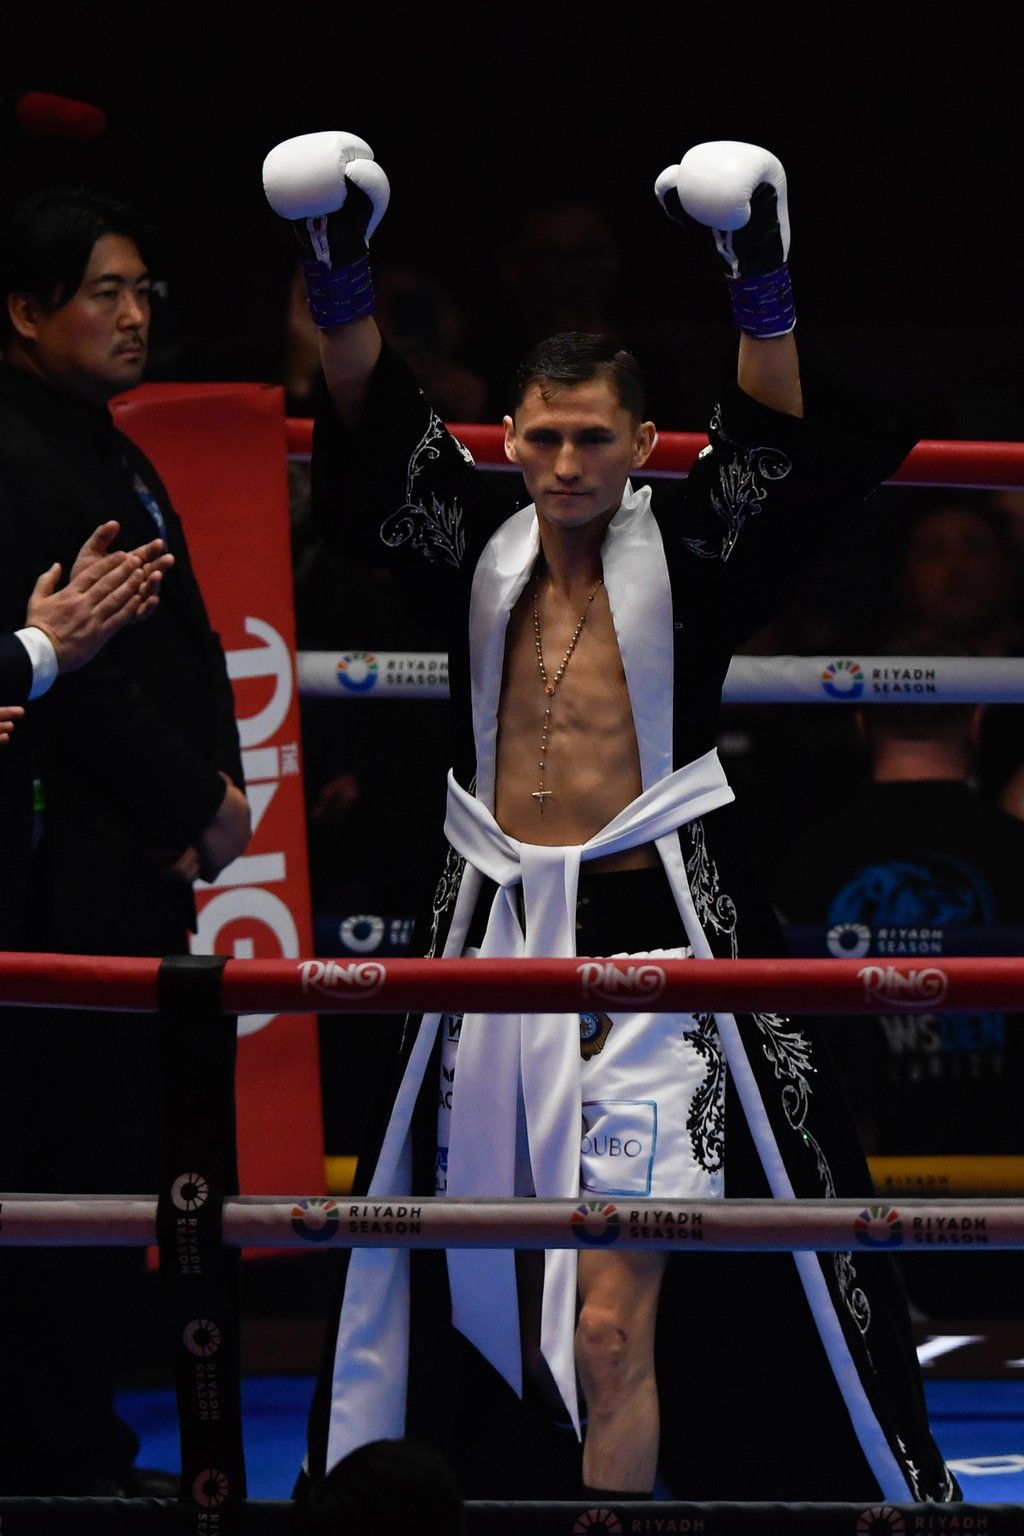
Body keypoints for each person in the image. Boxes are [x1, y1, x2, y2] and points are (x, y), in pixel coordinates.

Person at [264, 132, 955, 1503]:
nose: (567, 462)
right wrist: (332, 257)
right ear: (509, 437)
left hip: (657, 955)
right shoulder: (473, 539)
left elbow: (773, 441)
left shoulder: (694, 553)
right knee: (469, 1274)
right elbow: (365, 407)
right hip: (492, 938)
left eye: (594, 439)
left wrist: (758, 263)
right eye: (544, 435)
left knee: (605, 1320)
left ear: (645, 444)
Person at [0, 185, 252, 1494]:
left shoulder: (99, 440)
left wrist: (198, 810)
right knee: (60, 1170)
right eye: (106, 291)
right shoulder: (20, 450)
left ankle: (68, 1444)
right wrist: (195, 808)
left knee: (102, 1173)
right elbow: (66, 674)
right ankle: (54, 1458)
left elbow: (162, 647)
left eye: (146, 290)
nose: (136, 312)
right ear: (25, 309)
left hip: (120, 868)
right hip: (60, 881)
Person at [773, 646, 1024, 1318]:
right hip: (996, 1221)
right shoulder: (1015, 855)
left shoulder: (802, 863)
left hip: (854, 1227)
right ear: (977, 720)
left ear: (860, 724)